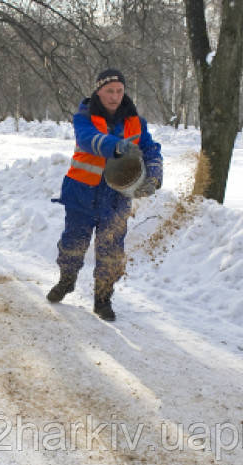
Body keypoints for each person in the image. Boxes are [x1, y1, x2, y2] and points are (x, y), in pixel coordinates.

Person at [47, 69, 163, 321]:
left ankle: (103, 298)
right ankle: (67, 279)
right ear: (98, 91)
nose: (114, 96)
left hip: (117, 196)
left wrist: (154, 173)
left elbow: (151, 149)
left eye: (119, 91)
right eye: (109, 91)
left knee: (111, 250)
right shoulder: (84, 116)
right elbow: (89, 140)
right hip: (82, 192)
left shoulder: (135, 121)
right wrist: (117, 146)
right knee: (72, 244)